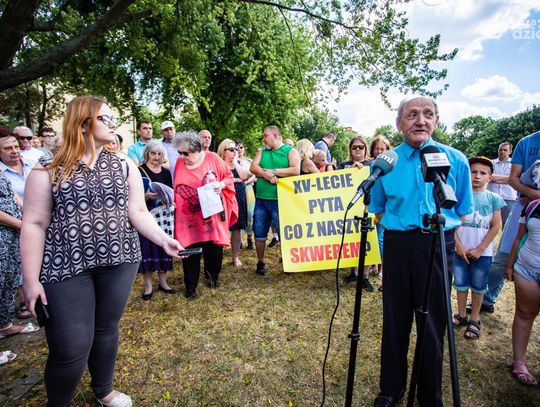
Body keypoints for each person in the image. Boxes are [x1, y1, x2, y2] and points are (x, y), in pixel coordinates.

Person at [20, 96, 183, 407]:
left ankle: (104, 390)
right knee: (70, 347)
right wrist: (31, 280)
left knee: (106, 327)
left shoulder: (124, 165)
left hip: (120, 260)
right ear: (83, 124)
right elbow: (35, 224)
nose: (113, 124)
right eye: (105, 119)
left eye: (113, 118)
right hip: (65, 265)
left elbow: (137, 211)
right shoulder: (47, 170)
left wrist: (164, 240)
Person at [369, 95, 473, 407]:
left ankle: (430, 396)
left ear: (437, 121)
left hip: (438, 244)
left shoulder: (456, 160)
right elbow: (378, 209)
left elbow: (463, 210)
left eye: (428, 114)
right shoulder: (385, 163)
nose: (421, 120)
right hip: (399, 245)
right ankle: (391, 389)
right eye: (412, 114)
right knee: (395, 319)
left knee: (433, 323)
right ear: (399, 123)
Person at [481, 130, 540, 314]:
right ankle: (486, 299)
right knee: (502, 257)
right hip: (522, 206)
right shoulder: (527, 142)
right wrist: (533, 195)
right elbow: (513, 179)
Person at [173, 131, 238, 299]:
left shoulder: (213, 158)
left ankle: (212, 278)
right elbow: (177, 187)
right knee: (189, 248)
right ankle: (191, 287)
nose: (182, 156)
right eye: (180, 152)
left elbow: (229, 177)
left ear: (197, 149)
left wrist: (221, 184)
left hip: (211, 212)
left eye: (186, 153)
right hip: (188, 216)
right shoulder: (180, 162)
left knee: (213, 247)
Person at [452, 157, 504, 340]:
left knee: (478, 286)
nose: (477, 176)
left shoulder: (494, 199)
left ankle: (475, 318)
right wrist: (459, 246)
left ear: (490, 177)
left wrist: (480, 249)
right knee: (460, 284)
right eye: (473, 172)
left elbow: (495, 226)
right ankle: (461, 314)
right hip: (460, 251)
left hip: (483, 254)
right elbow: (452, 223)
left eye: (483, 173)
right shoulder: (458, 196)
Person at [0, 127, 39, 340]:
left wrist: (35, 218)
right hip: (4, 234)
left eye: (16, 146)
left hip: (14, 235)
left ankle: (5, 325)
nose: (15, 150)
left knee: (9, 280)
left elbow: (16, 198)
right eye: (8, 148)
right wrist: (22, 225)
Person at [250, 126, 300, 275]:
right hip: (261, 199)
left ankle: (289, 262)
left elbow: (295, 170)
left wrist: (273, 171)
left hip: (281, 200)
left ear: (276, 135)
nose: (263, 138)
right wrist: (266, 175)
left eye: (266, 135)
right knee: (259, 232)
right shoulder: (262, 151)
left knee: (284, 233)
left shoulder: (290, 151)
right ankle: (260, 262)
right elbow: (253, 167)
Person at [504, 199, 540, 386]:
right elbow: (518, 238)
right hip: (527, 269)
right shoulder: (533, 207)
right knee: (524, 313)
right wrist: (509, 265)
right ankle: (518, 361)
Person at [137, 141, 175, 300]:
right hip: (145, 215)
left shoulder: (166, 172)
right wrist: (146, 196)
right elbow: (133, 198)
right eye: (153, 153)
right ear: (147, 154)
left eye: (160, 154)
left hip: (164, 215)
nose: (156, 157)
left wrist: (169, 200)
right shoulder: (139, 171)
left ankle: (163, 282)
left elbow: (171, 192)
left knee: (163, 245)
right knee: (147, 248)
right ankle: (148, 286)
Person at [338, 135, 375, 291]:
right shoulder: (343, 165)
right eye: (354, 147)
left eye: (361, 147)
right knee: (351, 241)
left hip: (368, 208)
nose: (358, 149)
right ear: (350, 150)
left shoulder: (372, 165)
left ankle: (365, 276)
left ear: (366, 148)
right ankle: (353, 272)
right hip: (349, 207)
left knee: (369, 242)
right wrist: (350, 171)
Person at [218, 139, 249, 267]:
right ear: (223, 151)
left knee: (237, 228)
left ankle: (235, 257)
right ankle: (217, 258)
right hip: (224, 198)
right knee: (221, 228)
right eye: (231, 149)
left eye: (235, 149)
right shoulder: (219, 165)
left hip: (239, 197)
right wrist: (235, 180)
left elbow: (245, 177)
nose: (234, 151)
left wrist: (235, 162)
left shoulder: (239, 163)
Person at [369, 135, 393, 290]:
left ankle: (384, 271)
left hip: (387, 211)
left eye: (382, 149)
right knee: (375, 241)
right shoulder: (370, 166)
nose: (379, 151)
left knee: (382, 241)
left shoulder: (393, 168)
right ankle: (375, 267)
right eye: (377, 148)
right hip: (373, 210)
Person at [487, 142, 517, 227]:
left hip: (509, 197)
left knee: (507, 224)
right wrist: (508, 179)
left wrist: (494, 178)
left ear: (510, 151)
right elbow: (488, 177)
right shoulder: (491, 163)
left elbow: (515, 179)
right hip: (492, 197)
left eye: (505, 150)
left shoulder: (515, 164)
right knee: (488, 223)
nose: (502, 152)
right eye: (500, 149)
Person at [236, 141, 257, 250]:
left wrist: (247, 181)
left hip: (248, 188)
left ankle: (250, 239)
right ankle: (238, 241)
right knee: (238, 214)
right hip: (236, 189)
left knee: (250, 213)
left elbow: (255, 175)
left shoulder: (249, 161)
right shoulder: (232, 162)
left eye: (241, 147)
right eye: (237, 148)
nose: (239, 149)